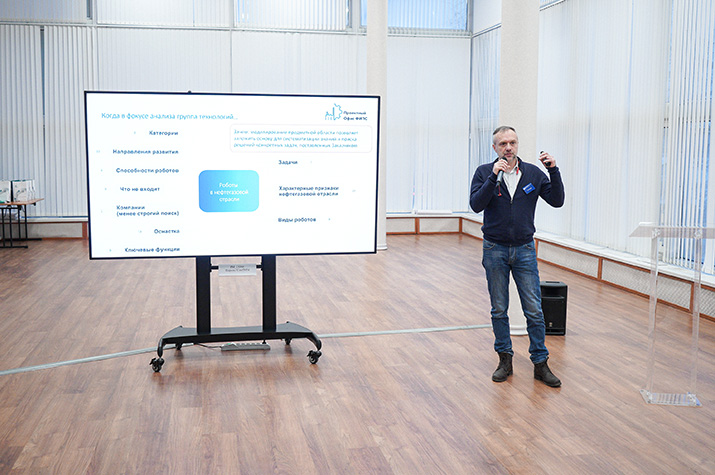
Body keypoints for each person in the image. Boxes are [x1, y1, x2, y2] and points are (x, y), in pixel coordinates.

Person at [469, 126, 565, 387]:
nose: (508, 147)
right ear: (495, 148)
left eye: (512, 142)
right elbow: (476, 205)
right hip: (494, 249)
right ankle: (505, 360)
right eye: (503, 144)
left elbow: (557, 201)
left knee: (534, 309)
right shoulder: (484, 172)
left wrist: (553, 171)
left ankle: (540, 363)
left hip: (524, 250)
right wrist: (493, 177)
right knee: (499, 308)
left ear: (517, 144)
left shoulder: (533, 173)